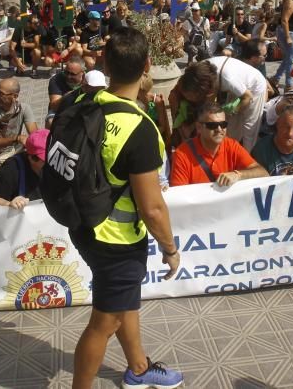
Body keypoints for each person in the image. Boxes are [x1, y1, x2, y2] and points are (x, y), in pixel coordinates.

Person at [67, 27, 184, 389]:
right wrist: (170, 249)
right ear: (147, 65)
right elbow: (152, 209)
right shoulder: (140, 128)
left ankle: (138, 367)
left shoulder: (83, 103)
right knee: (105, 323)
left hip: (83, 224)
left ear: (105, 64)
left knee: (123, 303)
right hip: (115, 240)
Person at [170, 103, 269, 186]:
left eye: (223, 124)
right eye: (212, 125)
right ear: (199, 127)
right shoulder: (182, 155)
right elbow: (179, 195)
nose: (219, 129)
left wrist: (238, 175)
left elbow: (263, 173)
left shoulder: (232, 145)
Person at [206, 53, 268, 151]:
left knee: (249, 127)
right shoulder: (203, 71)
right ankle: (230, 152)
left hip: (254, 88)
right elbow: (211, 95)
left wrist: (234, 110)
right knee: (231, 127)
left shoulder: (228, 79)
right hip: (238, 87)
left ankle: (247, 159)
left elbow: (247, 97)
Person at [0, 129, 49, 208]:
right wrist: (8, 204)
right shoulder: (12, 168)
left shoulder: (58, 164)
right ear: (32, 158)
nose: (52, 162)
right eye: (46, 159)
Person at [0, 78, 37, 168]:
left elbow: (35, 134)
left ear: (15, 96)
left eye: (1, 94)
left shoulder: (24, 108)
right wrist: (16, 138)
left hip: (15, 150)